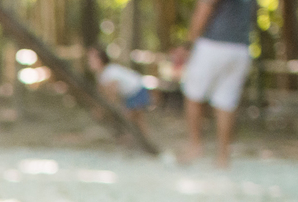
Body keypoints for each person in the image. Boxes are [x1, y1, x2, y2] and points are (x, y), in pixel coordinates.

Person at [173, 0, 257, 167]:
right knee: (226, 103)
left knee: (193, 95)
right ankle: (223, 156)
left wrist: (187, 45)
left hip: (214, 44)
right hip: (241, 48)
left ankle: (195, 147)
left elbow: (205, 8)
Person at [86, 46, 153, 143]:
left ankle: (140, 140)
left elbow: (112, 94)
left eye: (92, 59)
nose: (89, 62)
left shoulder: (110, 72)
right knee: (135, 119)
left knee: (132, 118)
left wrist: (107, 108)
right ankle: (141, 140)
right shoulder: (101, 75)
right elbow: (101, 94)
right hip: (130, 93)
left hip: (136, 90)